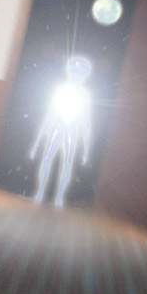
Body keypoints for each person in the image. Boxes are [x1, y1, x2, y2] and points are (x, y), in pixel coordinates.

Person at [30, 56, 92, 208]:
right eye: (74, 72)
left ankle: (58, 196)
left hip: (71, 131)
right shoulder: (61, 90)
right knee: (47, 159)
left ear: (84, 75)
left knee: (66, 163)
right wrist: (36, 143)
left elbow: (86, 122)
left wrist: (85, 150)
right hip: (57, 128)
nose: (76, 76)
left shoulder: (84, 95)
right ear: (70, 72)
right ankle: (41, 191)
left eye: (80, 73)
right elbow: (49, 116)